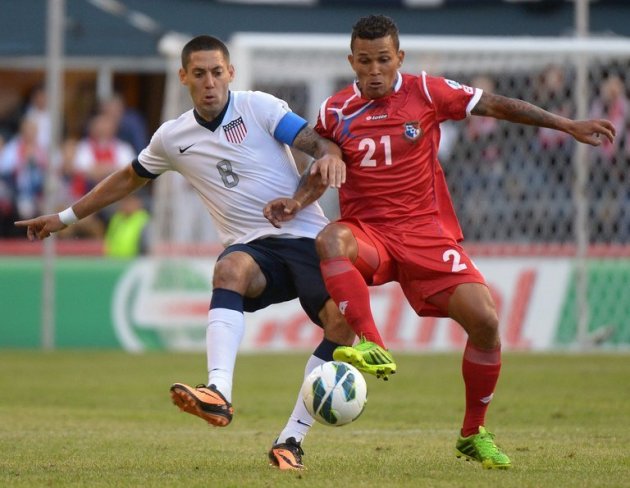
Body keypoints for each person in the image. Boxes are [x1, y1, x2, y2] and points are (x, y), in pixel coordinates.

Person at [14, 35, 394, 472]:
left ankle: (291, 439)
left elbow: (321, 145)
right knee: (229, 267)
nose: (210, 82)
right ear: (184, 78)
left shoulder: (261, 108)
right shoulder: (172, 138)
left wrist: (326, 161)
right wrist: (64, 217)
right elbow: (127, 178)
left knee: (340, 323)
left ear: (231, 72)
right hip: (253, 250)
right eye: (199, 74)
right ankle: (218, 393)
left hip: (307, 239)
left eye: (217, 72)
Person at [264, 15, 616, 470]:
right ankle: (372, 343)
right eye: (365, 61)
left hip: (427, 234)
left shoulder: (427, 92)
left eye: (383, 61)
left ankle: (473, 433)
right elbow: (325, 171)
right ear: (351, 60)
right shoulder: (335, 111)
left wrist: (566, 124)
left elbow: (495, 105)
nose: (374, 71)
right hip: (370, 234)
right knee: (331, 238)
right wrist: (297, 202)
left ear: (400, 59)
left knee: (486, 322)